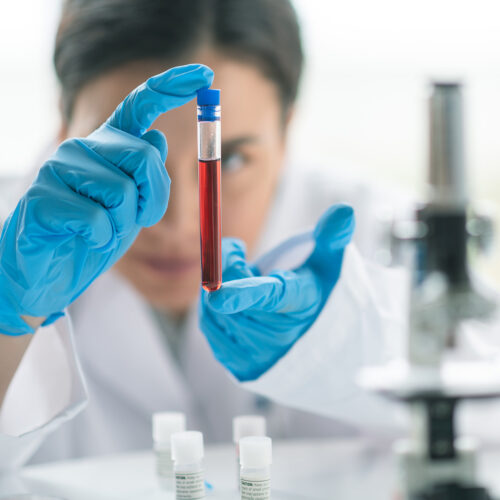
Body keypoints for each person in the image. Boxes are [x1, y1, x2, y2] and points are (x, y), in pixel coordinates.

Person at [0, 0, 497, 470]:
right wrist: (7, 323)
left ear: (286, 130)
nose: (177, 222)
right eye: (124, 162)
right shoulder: (16, 248)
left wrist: (342, 343)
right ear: (63, 124)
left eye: (229, 161)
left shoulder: (382, 233)